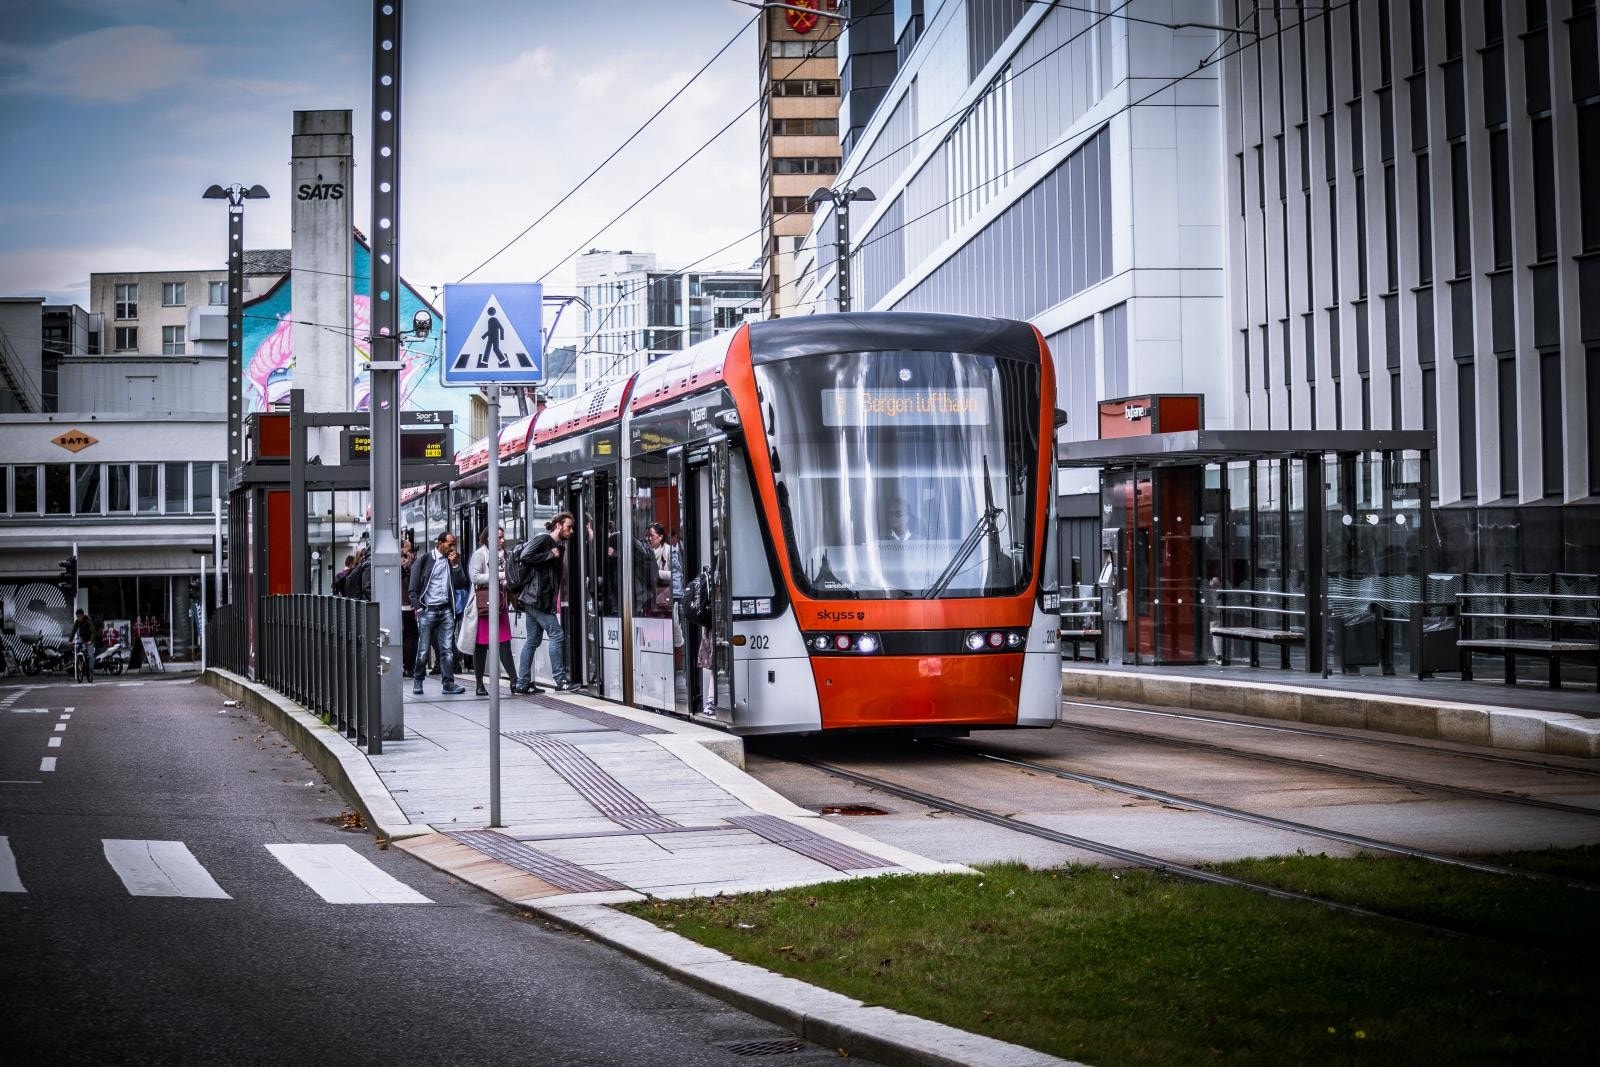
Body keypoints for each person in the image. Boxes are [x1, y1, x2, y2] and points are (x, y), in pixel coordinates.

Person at [512, 511, 575, 693]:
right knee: (557, 634)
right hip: (536, 598)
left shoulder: (558, 546)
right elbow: (525, 556)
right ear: (558, 526)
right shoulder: (544, 540)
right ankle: (560, 680)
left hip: (537, 599)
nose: (571, 531)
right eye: (568, 527)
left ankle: (523, 683)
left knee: (533, 640)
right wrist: (549, 555)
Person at [407, 530, 468, 695]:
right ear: (440, 543)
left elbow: (461, 583)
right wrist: (419, 608)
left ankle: (448, 684)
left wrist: (456, 565)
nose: (452, 548)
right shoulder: (424, 560)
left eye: (454, 545)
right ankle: (418, 681)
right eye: (450, 544)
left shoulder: (452, 561)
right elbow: (412, 589)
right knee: (423, 649)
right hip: (428, 610)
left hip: (446, 609)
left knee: (446, 649)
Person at [459, 527, 517, 696]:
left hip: (500, 604)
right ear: (488, 539)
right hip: (484, 606)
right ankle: (479, 684)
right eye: (498, 538)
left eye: (502, 537)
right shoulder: (479, 554)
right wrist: (499, 575)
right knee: (481, 646)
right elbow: (475, 578)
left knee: (504, 643)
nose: (502, 540)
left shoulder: (505, 555)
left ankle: (514, 681)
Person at [400, 537, 418, 673]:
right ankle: (408, 666)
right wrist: (406, 566)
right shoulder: (400, 564)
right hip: (403, 605)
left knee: (410, 636)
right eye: (408, 550)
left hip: (408, 606)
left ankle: (408, 666)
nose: (410, 554)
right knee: (409, 636)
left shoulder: (412, 564)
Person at [70, 608, 97, 683]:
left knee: (90, 655)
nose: (78, 618)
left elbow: (93, 632)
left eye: (79, 616)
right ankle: (80, 662)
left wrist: (90, 641)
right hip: (82, 638)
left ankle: (91, 672)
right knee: (78, 647)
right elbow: (73, 631)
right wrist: (70, 640)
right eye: (77, 616)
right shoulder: (77, 622)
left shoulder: (88, 621)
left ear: (82, 615)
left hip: (89, 639)